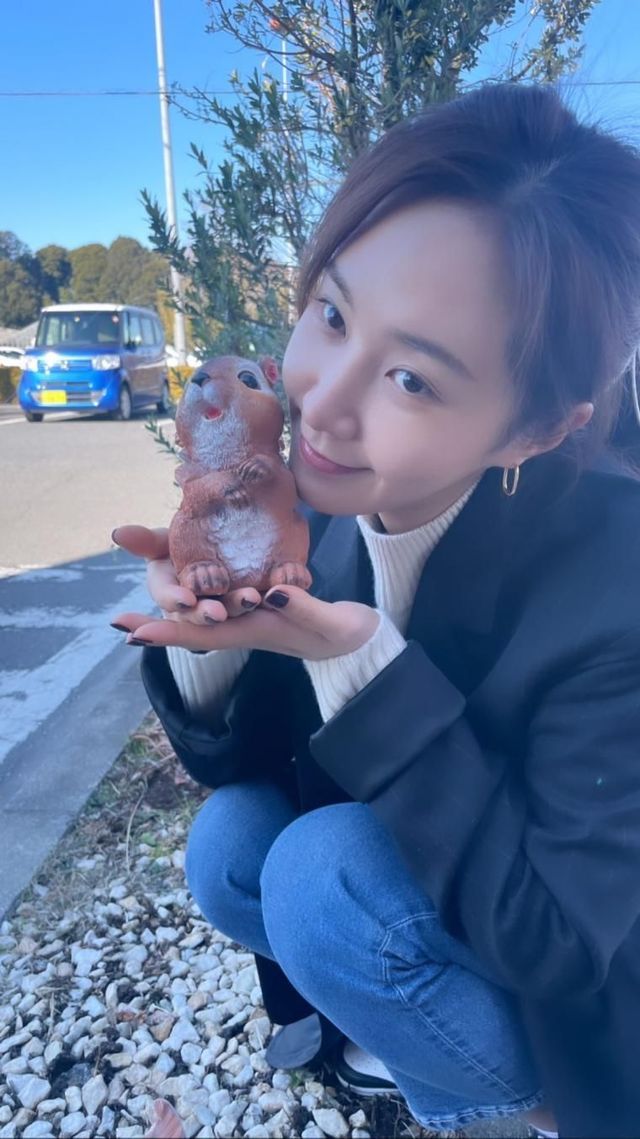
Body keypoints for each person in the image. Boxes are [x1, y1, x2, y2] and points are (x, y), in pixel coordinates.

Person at [111, 83, 640, 1139]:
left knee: (322, 879)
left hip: (583, 990)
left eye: (409, 378)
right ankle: (406, 1046)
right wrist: (212, 637)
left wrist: (367, 666)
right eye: (332, 314)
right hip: (444, 893)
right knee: (234, 842)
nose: (321, 400)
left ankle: (519, 1109)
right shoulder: (321, 503)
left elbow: (562, 940)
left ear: (535, 430)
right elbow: (245, 760)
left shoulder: (615, 584)